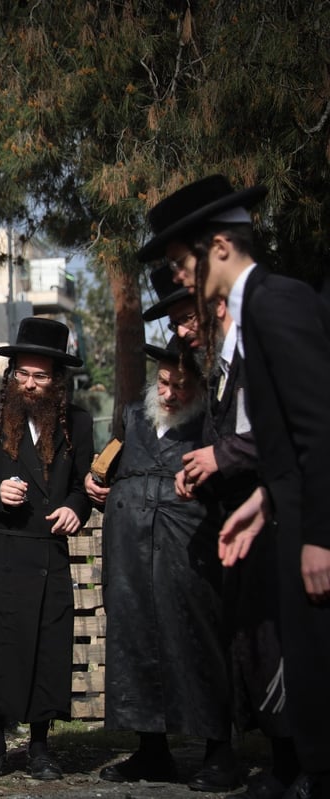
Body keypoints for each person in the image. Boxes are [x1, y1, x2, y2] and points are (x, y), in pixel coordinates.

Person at [139, 175, 330, 798]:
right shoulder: (249, 319)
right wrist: (262, 501)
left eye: (180, 263)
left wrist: (318, 538)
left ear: (218, 247)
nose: (180, 280)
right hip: (279, 517)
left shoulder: (277, 302)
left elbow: (321, 430)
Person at [150, 262, 296, 799]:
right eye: (177, 323)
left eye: (189, 318)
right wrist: (202, 475)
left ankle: (298, 768)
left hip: (281, 523)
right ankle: (282, 763)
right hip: (240, 525)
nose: (183, 332)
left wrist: (221, 455)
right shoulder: (217, 374)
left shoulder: (262, 351)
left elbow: (286, 429)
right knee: (252, 649)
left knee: (279, 649)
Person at [86, 336, 238, 792]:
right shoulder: (133, 417)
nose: (170, 393)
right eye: (165, 382)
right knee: (135, 643)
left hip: (187, 551)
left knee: (196, 640)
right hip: (130, 551)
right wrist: (96, 487)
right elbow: (108, 465)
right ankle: (152, 750)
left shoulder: (211, 425)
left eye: (182, 386)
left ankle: (219, 752)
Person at [0, 317, 93, 781]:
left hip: (46, 553)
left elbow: (86, 485)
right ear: (10, 374)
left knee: (46, 650)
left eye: (40, 376)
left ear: (57, 380)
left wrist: (75, 508)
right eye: (22, 375)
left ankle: (41, 746)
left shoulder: (78, 421)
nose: (30, 385)